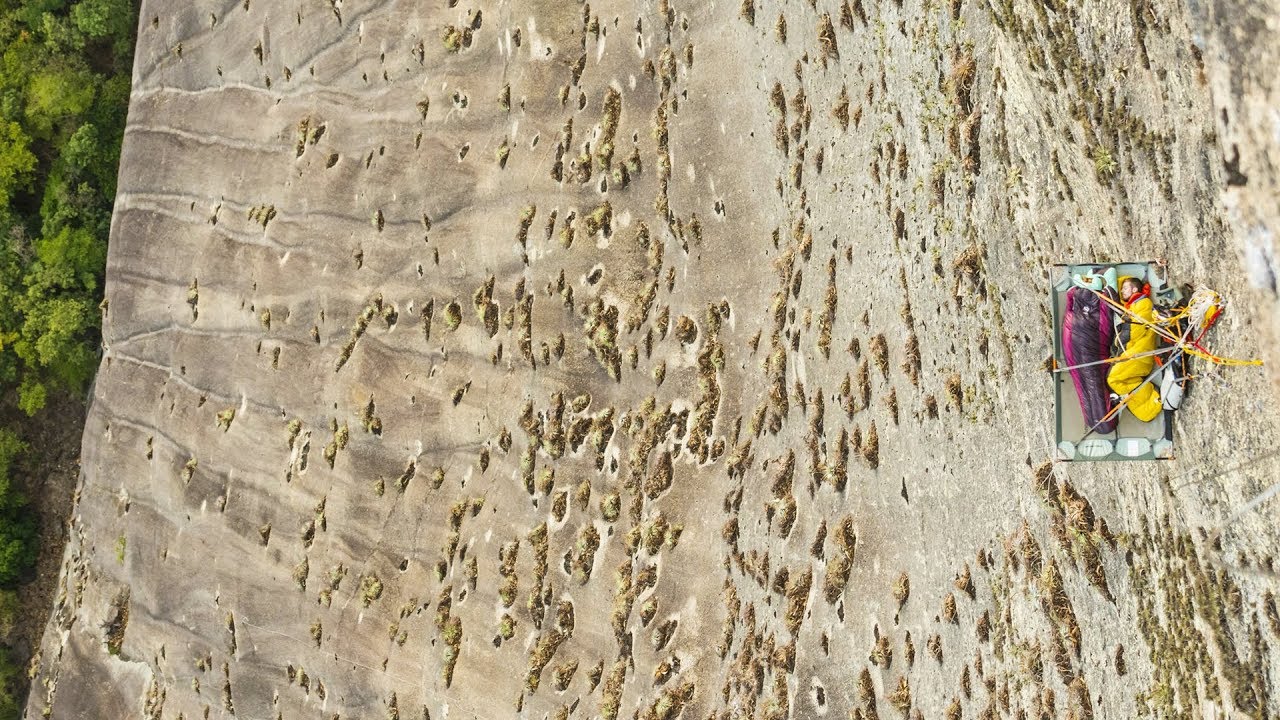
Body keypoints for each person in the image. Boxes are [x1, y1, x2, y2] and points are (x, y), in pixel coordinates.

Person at [1107, 276, 1163, 422]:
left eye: (1125, 288)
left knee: (1114, 379)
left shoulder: (1144, 303)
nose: (1122, 291)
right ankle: (1148, 402)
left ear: (1135, 289)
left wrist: (1119, 340)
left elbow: (1135, 331)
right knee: (1121, 379)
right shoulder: (1133, 306)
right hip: (1136, 354)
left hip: (1140, 354)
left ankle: (1151, 403)